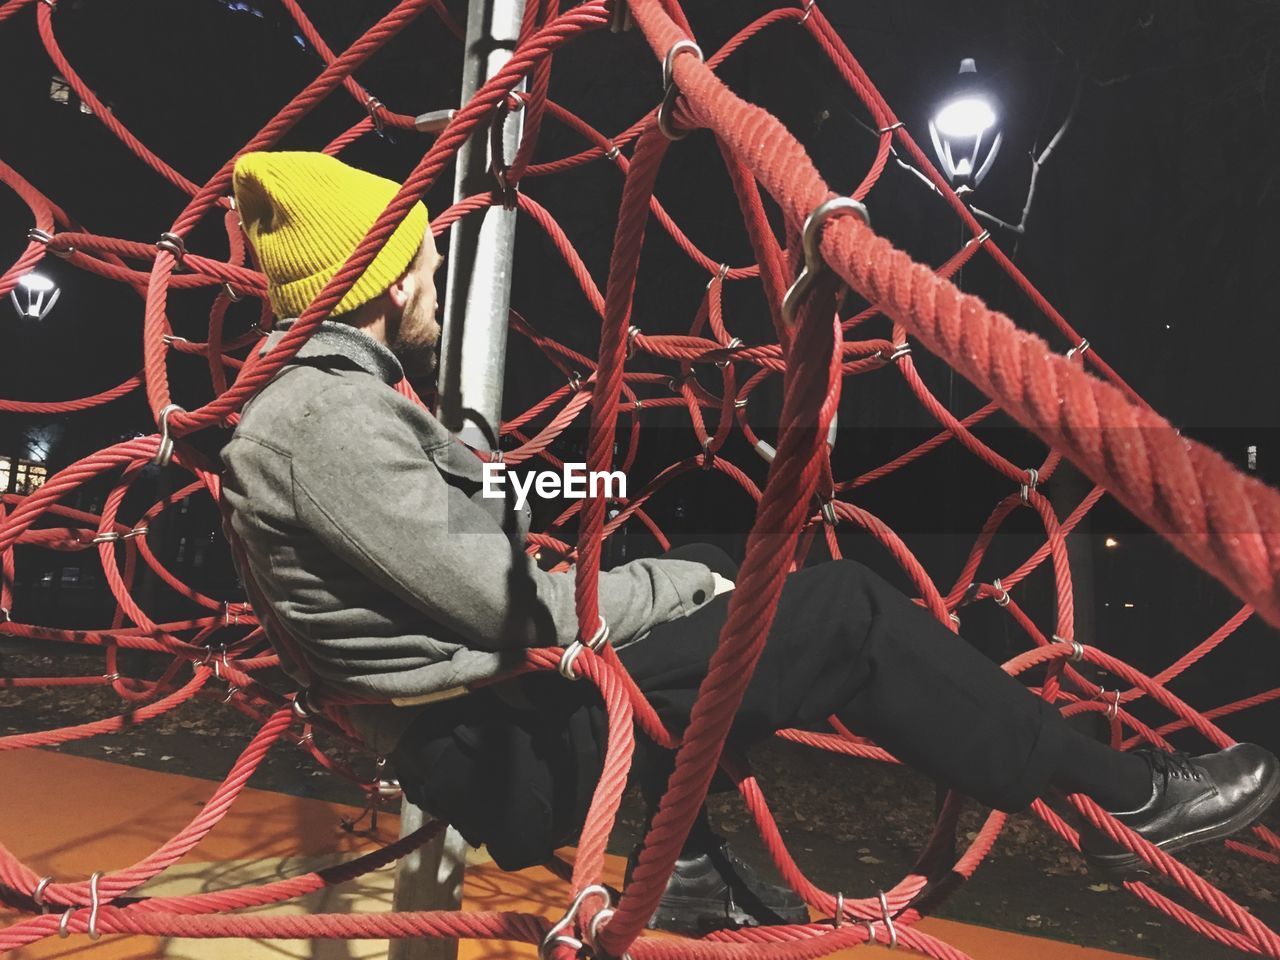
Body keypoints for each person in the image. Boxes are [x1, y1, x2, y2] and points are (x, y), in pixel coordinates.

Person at [221, 152, 1280, 933]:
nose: (436, 281)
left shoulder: (323, 409)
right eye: (429, 262)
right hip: (503, 750)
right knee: (841, 614)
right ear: (391, 278)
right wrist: (678, 579)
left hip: (492, 724)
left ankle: (681, 867)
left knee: (718, 620)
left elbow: (457, 538)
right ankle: (1117, 801)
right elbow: (511, 609)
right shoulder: (323, 420)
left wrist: (571, 491)